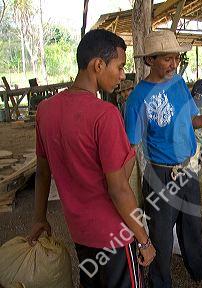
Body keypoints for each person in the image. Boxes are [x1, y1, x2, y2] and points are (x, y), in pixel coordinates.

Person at [28, 29, 155, 288]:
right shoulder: (104, 115)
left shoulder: (46, 110)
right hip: (115, 235)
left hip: (81, 233)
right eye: (119, 67)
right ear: (98, 65)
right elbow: (118, 188)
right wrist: (144, 240)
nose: (122, 76)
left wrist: (40, 218)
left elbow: (43, 171)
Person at [124, 30, 202, 288]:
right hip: (161, 176)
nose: (174, 64)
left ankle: (200, 269)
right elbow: (132, 145)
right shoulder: (138, 98)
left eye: (176, 58)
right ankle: (160, 282)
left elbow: (191, 121)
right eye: (167, 59)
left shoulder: (179, 84)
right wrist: (120, 186)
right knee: (161, 236)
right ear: (150, 60)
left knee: (192, 225)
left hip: (188, 168)